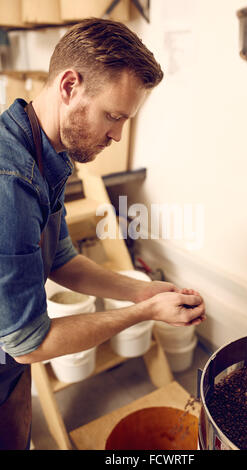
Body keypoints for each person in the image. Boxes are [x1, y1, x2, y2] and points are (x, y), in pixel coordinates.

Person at [0, 18, 206, 450]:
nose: (116, 134)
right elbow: (28, 344)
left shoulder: (44, 153)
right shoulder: (10, 181)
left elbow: (61, 261)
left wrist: (142, 292)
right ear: (70, 86)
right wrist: (143, 314)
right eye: (113, 116)